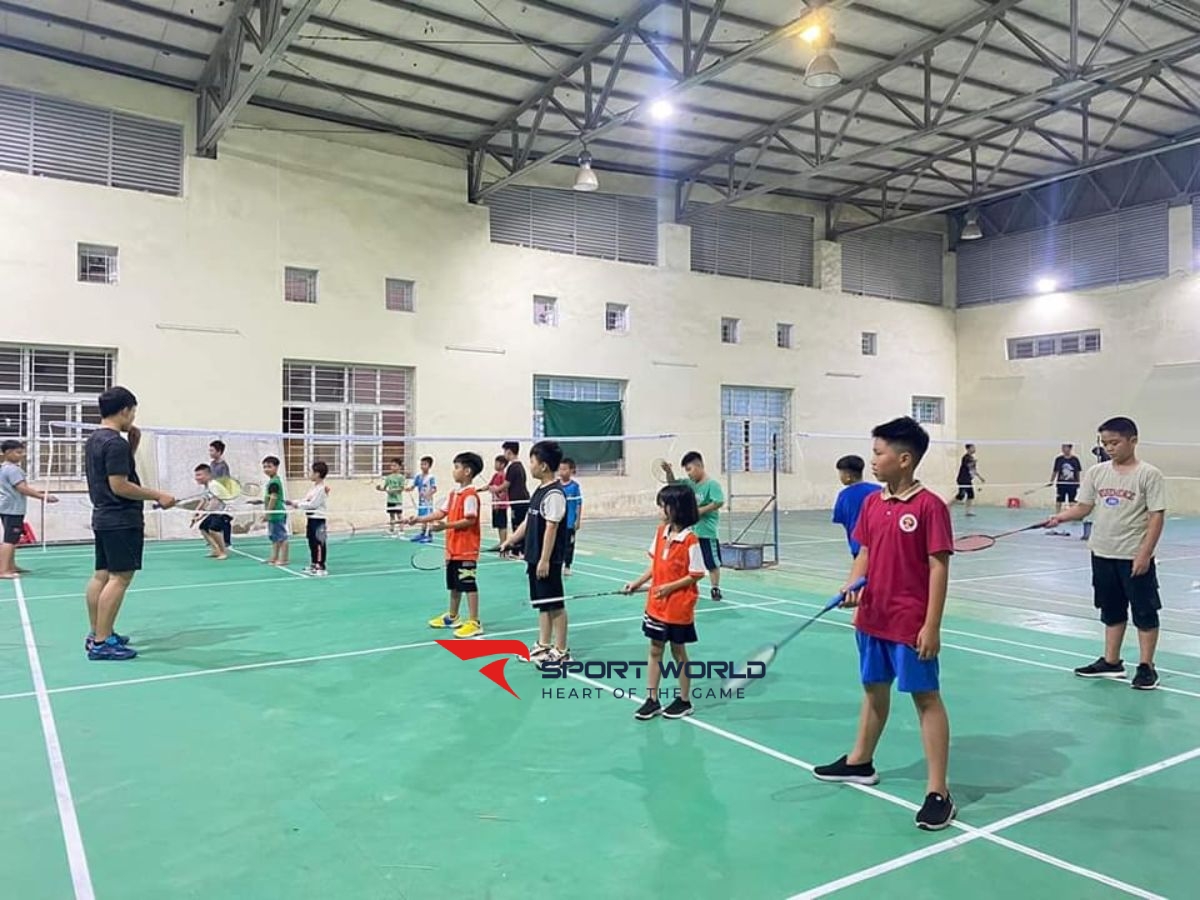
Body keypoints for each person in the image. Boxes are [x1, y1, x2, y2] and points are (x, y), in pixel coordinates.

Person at [813, 416, 955, 832]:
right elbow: (865, 553)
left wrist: (932, 625)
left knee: (926, 699)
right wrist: (851, 587)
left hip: (909, 622)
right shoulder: (873, 504)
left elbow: (938, 568)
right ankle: (860, 761)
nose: (872, 460)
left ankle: (938, 791)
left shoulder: (930, 507)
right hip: (872, 615)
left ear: (904, 459)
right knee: (874, 689)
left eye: (878, 453)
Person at [1047, 417, 1167, 690]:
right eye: (1105, 443)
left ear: (1133, 441)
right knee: (1111, 609)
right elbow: (1083, 507)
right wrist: (1060, 517)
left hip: (1133, 555)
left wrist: (1144, 554)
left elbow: (1156, 517)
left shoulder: (1149, 474)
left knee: (1145, 611)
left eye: (1115, 442)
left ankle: (1146, 666)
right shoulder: (1097, 472)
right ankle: (1112, 662)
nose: (1109, 448)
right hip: (1102, 552)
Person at [83, 387, 176, 661]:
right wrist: (158, 495)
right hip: (121, 519)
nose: (134, 417)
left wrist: (132, 445)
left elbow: (115, 473)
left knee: (101, 575)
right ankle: (102, 643)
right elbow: (120, 485)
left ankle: (98, 633)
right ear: (125, 410)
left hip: (103, 516)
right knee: (120, 578)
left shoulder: (95, 439)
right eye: (133, 411)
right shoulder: (115, 443)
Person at [622, 483, 705, 721]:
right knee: (655, 649)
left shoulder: (690, 540)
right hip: (656, 605)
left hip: (678, 607)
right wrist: (637, 583)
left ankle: (684, 700)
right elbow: (655, 565)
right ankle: (652, 699)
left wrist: (670, 587)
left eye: (663, 505)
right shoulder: (661, 533)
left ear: (677, 508)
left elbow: (696, 574)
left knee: (678, 651)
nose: (660, 509)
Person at [501, 441, 568, 667]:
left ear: (544, 466)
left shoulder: (555, 494)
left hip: (546, 559)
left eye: (532, 461)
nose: (530, 465)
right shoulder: (539, 491)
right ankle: (543, 645)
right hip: (534, 556)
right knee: (543, 603)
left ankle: (561, 651)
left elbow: (552, 527)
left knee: (555, 604)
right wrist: (510, 540)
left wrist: (545, 560)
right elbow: (528, 521)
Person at [410, 452, 484, 638]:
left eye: (457, 467)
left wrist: (445, 526)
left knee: (468, 584)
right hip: (453, 549)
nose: (454, 471)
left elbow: (469, 520)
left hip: (466, 550)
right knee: (454, 585)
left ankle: (474, 621)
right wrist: (419, 519)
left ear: (467, 471)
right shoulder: (453, 494)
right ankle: (453, 616)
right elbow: (440, 513)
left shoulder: (470, 495)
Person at [662, 452, 724, 601]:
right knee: (687, 562)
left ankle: (715, 588)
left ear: (699, 466)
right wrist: (668, 472)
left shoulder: (712, 485)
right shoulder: (689, 484)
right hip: (690, 532)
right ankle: (686, 588)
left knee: (711, 563)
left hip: (706, 532)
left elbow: (718, 502)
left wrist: (699, 511)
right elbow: (673, 484)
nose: (688, 473)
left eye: (689, 469)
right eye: (686, 471)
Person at [0, 440, 59, 578]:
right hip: (13, 509)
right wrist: (43, 496)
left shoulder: (3, 468)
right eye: (18, 452)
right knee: (10, 539)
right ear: (8, 452)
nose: (22, 455)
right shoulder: (13, 470)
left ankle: (11, 565)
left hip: (6, 508)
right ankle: (3, 570)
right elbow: (21, 488)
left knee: (13, 539)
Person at [832, 454, 881, 558]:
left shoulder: (844, 495)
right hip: (879, 544)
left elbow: (842, 519)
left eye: (841, 473)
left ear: (848, 476)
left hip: (857, 545)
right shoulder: (878, 490)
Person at [289, 461, 329, 576]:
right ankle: (314, 564)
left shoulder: (321, 489)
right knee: (311, 542)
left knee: (319, 543)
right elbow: (306, 500)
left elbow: (313, 504)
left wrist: (298, 505)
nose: (309, 474)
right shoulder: (314, 488)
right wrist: (294, 502)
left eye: (311, 472)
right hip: (311, 519)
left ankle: (320, 566)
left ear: (317, 474)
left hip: (318, 519)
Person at [192, 463, 230, 561]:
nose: (196, 478)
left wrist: (201, 515)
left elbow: (215, 502)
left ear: (208, 475)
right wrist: (196, 512)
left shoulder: (214, 485)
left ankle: (223, 552)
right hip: (215, 512)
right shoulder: (207, 486)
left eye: (199, 475)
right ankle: (216, 550)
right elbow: (203, 500)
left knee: (214, 529)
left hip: (223, 512)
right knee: (203, 527)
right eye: (196, 475)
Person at [501, 441, 530, 559]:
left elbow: (506, 485)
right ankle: (521, 551)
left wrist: (495, 489)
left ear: (509, 452)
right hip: (523, 500)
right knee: (521, 525)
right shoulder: (520, 466)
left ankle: (518, 551)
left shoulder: (512, 467)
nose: (504, 454)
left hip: (518, 502)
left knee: (517, 526)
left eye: (504, 451)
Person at [261, 456, 289, 567]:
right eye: (264, 467)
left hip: (277, 514)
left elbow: (273, 498)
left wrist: (268, 513)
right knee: (274, 538)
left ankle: (284, 559)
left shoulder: (274, 482)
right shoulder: (271, 481)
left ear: (276, 467)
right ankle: (274, 557)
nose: (266, 469)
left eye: (269, 466)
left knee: (282, 537)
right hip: (273, 515)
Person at [558, 457, 583, 577]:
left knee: (569, 545)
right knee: (558, 544)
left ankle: (567, 565)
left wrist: (577, 520)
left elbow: (579, 503)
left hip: (569, 522)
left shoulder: (575, 487)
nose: (562, 472)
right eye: (560, 469)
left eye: (565, 469)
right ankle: (557, 564)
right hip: (558, 521)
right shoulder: (556, 485)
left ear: (571, 470)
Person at [208, 439, 232, 547]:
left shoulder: (223, 466)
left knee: (223, 518)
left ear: (219, 452)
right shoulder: (212, 464)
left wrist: (221, 493)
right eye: (209, 450)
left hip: (222, 495)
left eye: (212, 450)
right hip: (213, 494)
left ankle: (226, 541)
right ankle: (215, 539)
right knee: (213, 516)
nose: (210, 453)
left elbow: (226, 481)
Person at [408, 456, 437, 544]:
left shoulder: (431, 477)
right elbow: (413, 486)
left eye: (425, 464)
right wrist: (408, 489)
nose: (422, 466)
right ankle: (423, 534)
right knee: (422, 518)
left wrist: (428, 494)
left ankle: (429, 535)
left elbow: (434, 489)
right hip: (421, 501)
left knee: (429, 518)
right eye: (421, 464)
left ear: (429, 466)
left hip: (428, 502)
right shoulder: (418, 477)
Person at [1050, 443, 1083, 517]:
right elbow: (1055, 471)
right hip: (1061, 484)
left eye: (1065, 447)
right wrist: (1051, 481)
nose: (1063, 449)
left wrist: (1078, 482)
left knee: (1072, 501)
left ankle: (1073, 515)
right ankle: (1057, 515)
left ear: (1070, 448)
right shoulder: (1059, 459)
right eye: (1062, 447)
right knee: (1059, 500)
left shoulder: (1075, 459)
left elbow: (1077, 472)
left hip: (1072, 484)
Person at [950, 443, 983, 516]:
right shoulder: (965, 457)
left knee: (971, 495)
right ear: (968, 449)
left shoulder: (971, 458)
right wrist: (974, 462)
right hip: (962, 479)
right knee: (961, 496)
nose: (974, 449)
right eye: (972, 447)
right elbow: (969, 465)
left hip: (968, 480)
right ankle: (948, 506)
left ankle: (968, 511)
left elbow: (973, 470)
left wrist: (980, 477)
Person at [377, 457, 406, 537]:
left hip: (398, 500)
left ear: (399, 467)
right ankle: (392, 529)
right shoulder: (388, 477)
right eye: (391, 466)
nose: (392, 467)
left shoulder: (401, 477)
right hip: (390, 500)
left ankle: (401, 530)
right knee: (391, 515)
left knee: (399, 515)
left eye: (395, 465)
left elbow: (401, 489)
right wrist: (379, 488)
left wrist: (393, 491)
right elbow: (384, 488)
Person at [487, 455, 509, 547]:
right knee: (499, 524)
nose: (495, 464)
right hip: (495, 503)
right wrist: (478, 490)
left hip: (501, 504)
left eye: (497, 463)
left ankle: (504, 543)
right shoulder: (495, 475)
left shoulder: (504, 476)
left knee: (502, 524)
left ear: (502, 464)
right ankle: (501, 542)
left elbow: (505, 490)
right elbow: (489, 485)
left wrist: (500, 501)